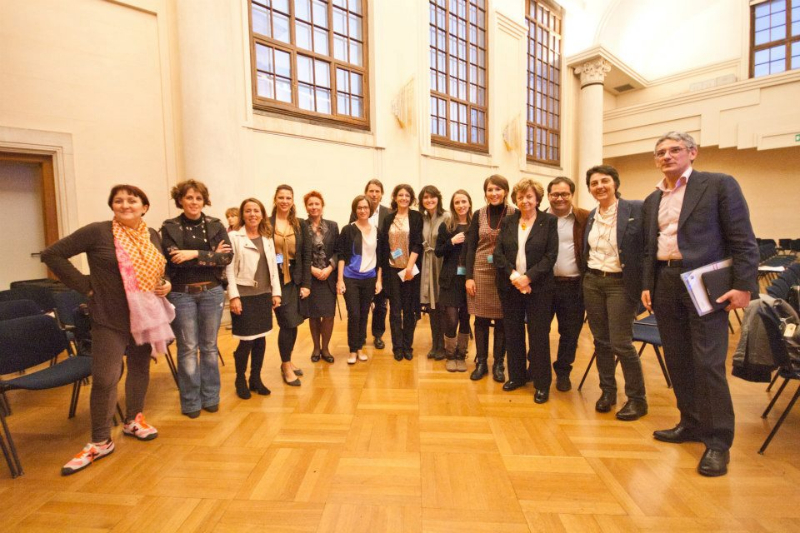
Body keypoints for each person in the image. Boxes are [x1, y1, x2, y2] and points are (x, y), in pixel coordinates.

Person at [641, 131, 758, 477]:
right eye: (661, 152)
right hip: (665, 281)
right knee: (678, 358)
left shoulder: (719, 185)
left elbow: (742, 239)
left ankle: (719, 442)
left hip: (705, 284)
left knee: (707, 363)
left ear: (693, 153)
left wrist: (744, 286)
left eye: (675, 150)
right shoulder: (652, 199)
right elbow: (651, 246)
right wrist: (648, 284)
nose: (667, 156)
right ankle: (690, 423)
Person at [42, 185, 173, 476]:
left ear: (144, 207)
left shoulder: (151, 235)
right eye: (118, 200)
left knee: (140, 367)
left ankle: (133, 420)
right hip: (108, 316)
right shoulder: (98, 232)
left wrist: (166, 284)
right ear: (112, 206)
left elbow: (158, 270)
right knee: (105, 378)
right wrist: (86, 286)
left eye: (132, 200)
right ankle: (101, 440)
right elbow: (52, 255)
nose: (125, 204)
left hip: (144, 314)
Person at [161, 180, 232, 418]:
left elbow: (227, 258)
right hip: (182, 294)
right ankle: (191, 401)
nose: (194, 202)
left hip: (212, 292)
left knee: (210, 347)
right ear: (180, 200)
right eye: (189, 197)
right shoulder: (169, 226)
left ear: (204, 200)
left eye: (198, 198)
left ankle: (211, 396)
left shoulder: (215, 224)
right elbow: (172, 260)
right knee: (188, 348)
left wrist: (192, 254)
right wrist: (212, 256)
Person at [582, 165, 647, 421]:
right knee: (601, 342)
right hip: (593, 281)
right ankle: (607, 392)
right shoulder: (591, 215)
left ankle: (637, 399)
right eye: (594, 183)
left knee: (621, 342)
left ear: (615, 183)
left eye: (604, 181)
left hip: (621, 283)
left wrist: (646, 285)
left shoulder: (635, 209)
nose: (599, 186)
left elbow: (646, 248)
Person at [494, 179, 558, 403]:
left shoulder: (548, 221)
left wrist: (528, 278)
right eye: (520, 197)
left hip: (538, 287)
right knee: (513, 333)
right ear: (515, 199)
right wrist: (514, 277)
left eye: (529, 196)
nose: (525, 200)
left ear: (537, 198)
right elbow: (499, 254)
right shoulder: (509, 221)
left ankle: (542, 384)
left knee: (538, 336)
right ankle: (517, 376)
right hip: (511, 286)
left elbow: (551, 256)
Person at [226, 198, 282, 399]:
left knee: (260, 339)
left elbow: (274, 267)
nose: (252, 214)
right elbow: (229, 269)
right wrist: (234, 297)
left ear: (262, 214)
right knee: (246, 341)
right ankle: (240, 378)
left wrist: (276, 292)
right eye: (248, 211)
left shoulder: (267, 237)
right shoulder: (234, 237)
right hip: (244, 295)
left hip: (263, 294)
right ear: (243, 214)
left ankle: (255, 379)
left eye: (256, 210)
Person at [465, 175, 515, 382]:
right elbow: (470, 247)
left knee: (503, 319)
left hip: (506, 273)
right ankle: (481, 362)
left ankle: (499, 364)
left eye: (498, 189)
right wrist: (468, 277)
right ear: (485, 193)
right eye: (490, 190)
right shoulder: (479, 214)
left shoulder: (515, 213)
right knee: (481, 319)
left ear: (505, 191)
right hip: (481, 270)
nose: (494, 193)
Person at [545, 177, 590, 392]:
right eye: (555, 194)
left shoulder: (584, 218)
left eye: (564, 194)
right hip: (543, 285)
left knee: (570, 333)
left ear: (572, 194)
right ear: (548, 196)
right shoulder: (539, 218)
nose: (560, 198)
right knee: (538, 329)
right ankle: (536, 367)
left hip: (573, 286)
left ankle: (563, 371)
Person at [270, 184, 312, 386]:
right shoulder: (267, 223)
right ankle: (285, 365)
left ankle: (288, 359)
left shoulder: (299, 224)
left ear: (292, 201)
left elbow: (306, 254)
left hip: (295, 278)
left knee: (294, 322)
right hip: (277, 278)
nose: (284, 201)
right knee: (287, 322)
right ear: (275, 199)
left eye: (288, 198)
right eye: (281, 197)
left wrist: (306, 283)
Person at [379, 184, 423, 361]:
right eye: (400, 195)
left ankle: (407, 345)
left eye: (407, 195)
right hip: (392, 271)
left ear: (411, 198)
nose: (404, 198)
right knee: (395, 311)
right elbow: (384, 246)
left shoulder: (416, 217)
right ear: (395, 197)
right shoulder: (388, 218)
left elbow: (417, 243)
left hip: (410, 270)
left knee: (410, 310)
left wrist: (410, 268)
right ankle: (397, 347)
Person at [337, 195, 383, 364]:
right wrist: (340, 280)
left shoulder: (377, 231)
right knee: (354, 314)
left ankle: (360, 347)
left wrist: (379, 281)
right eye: (359, 208)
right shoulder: (347, 230)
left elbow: (380, 258)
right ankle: (352, 350)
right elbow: (341, 256)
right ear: (355, 210)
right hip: (350, 277)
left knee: (364, 314)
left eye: (366, 207)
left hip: (369, 278)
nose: (363, 210)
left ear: (370, 209)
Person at [350, 179, 390, 349]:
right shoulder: (357, 211)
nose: (374, 194)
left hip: (381, 264)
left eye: (377, 191)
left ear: (382, 194)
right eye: (371, 191)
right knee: (361, 306)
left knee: (381, 304)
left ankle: (378, 335)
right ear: (366, 192)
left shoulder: (389, 212)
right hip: (361, 268)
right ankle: (360, 338)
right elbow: (351, 236)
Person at [436, 190, 473, 372]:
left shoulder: (475, 225)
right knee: (451, 318)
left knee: (466, 317)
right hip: (450, 279)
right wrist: (451, 242)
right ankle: (450, 354)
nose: (461, 205)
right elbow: (438, 252)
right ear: (453, 205)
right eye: (457, 202)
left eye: (463, 201)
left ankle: (461, 354)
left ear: (469, 203)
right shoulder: (447, 226)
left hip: (469, 279)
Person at [304, 191, 339, 364]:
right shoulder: (300, 226)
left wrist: (330, 268)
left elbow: (339, 251)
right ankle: (316, 347)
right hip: (310, 278)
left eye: (317, 203)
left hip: (328, 277)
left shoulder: (333, 226)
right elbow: (298, 254)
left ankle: (325, 348)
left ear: (322, 206)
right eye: (310, 204)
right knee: (314, 315)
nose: (314, 207)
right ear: (306, 207)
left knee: (328, 315)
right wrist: (311, 269)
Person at [419, 185, 449, 360]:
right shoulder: (421, 219)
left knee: (442, 306)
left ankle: (444, 345)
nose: (429, 201)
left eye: (432, 197)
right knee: (432, 306)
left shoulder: (447, 217)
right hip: (427, 263)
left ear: (438, 198)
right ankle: (435, 343)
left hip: (442, 263)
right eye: (425, 198)